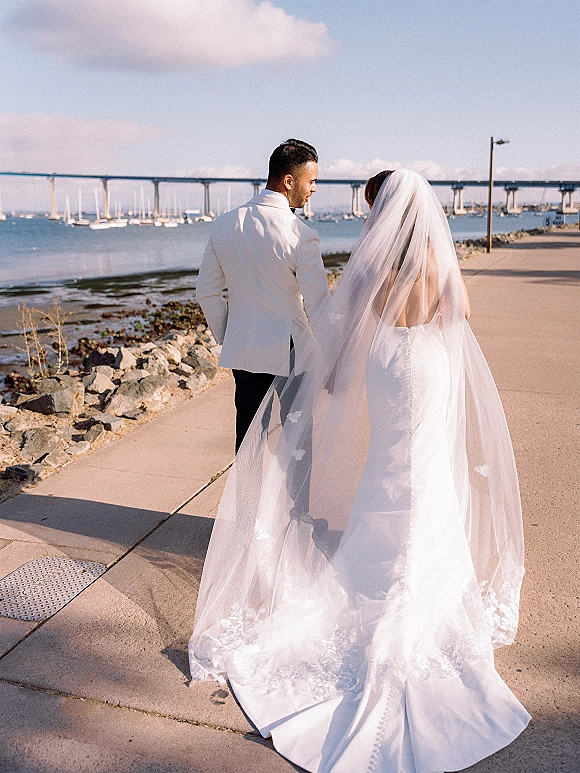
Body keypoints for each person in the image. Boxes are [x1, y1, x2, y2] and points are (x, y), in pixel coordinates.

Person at [189, 169, 530, 773]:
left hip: (388, 365)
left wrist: (335, 378)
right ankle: (425, 584)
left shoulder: (373, 267)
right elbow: (463, 311)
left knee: (389, 462)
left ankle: (375, 576)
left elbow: (347, 328)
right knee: (425, 468)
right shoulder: (433, 254)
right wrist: (436, 317)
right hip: (429, 364)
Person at [195, 139, 330, 452]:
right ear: (288, 181)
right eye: (311, 182)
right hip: (291, 346)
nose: (314, 189)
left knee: (248, 442)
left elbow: (207, 291)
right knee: (298, 444)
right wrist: (332, 353)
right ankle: (296, 504)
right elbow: (318, 304)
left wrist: (229, 334)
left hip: (243, 346)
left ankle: (245, 503)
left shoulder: (225, 224)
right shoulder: (301, 235)